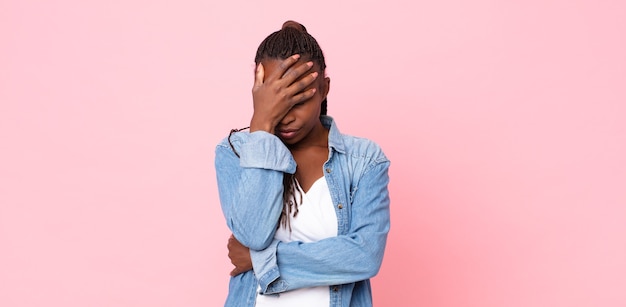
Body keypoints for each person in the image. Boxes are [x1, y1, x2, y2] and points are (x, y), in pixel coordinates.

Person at [214, 20, 391, 307]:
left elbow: (365, 255)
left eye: (297, 101)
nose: (285, 116)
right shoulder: (234, 152)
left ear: (324, 89)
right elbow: (253, 233)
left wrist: (261, 260)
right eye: (275, 101)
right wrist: (261, 126)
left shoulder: (364, 161)